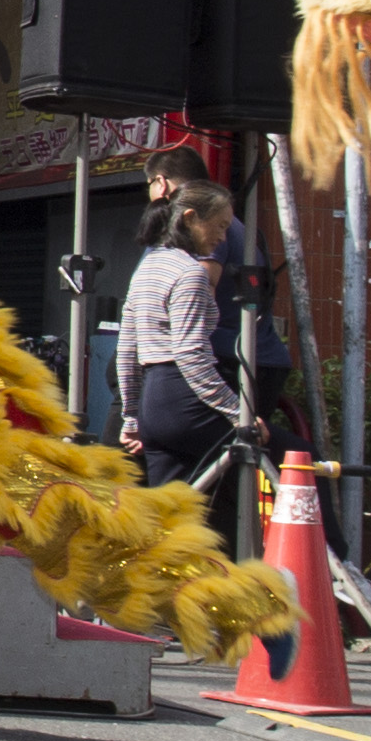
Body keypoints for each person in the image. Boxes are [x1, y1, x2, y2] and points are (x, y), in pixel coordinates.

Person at [118, 187, 247, 526]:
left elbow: (127, 348)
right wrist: (239, 413)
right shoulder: (190, 272)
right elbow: (190, 353)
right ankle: (335, 550)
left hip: (152, 403)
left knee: (169, 515)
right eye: (220, 226)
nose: (223, 237)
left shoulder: (146, 268)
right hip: (183, 398)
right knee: (291, 454)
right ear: (190, 219)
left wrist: (132, 416)